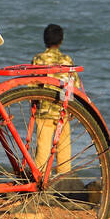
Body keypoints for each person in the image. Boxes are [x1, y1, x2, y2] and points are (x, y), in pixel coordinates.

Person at [31, 24, 79, 175]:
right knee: (64, 149)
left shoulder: (39, 59)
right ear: (61, 41)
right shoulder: (67, 59)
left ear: (45, 40)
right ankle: (64, 181)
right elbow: (73, 85)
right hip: (63, 110)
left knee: (43, 150)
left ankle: (39, 180)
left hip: (44, 111)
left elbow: (31, 85)